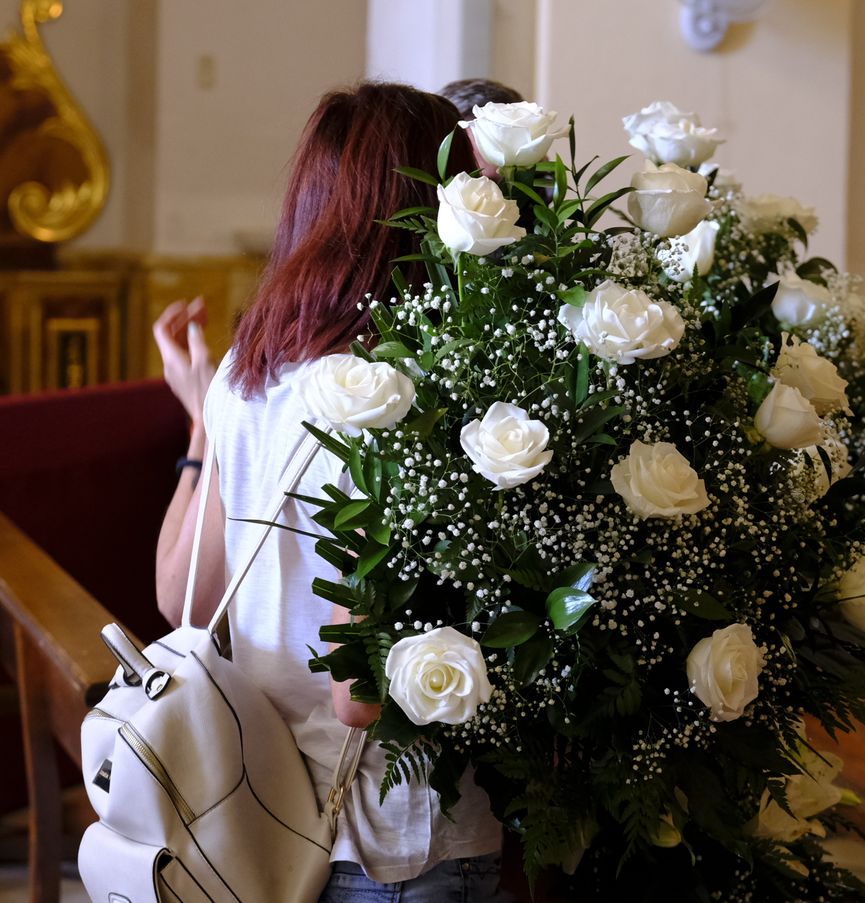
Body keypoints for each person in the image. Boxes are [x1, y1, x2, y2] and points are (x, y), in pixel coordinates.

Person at [154, 82, 509, 902]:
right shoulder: (406, 392)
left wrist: (200, 426)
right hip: (398, 837)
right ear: (425, 208)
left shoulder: (248, 381)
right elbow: (361, 695)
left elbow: (187, 599)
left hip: (265, 819)